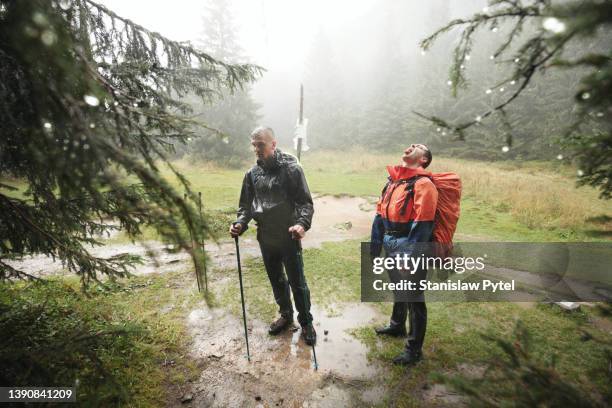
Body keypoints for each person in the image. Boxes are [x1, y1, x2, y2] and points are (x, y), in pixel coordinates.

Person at [229, 126, 316, 345]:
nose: (257, 149)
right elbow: (245, 206)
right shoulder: (252, 174)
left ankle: (306, 322)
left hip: (288, 234)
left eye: (261, 144)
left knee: (297, 281)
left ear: (273, 144)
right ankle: (286, 315)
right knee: (276, 278)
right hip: (265, 235)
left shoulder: (292, 168)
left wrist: (301, 224)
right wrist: (240, 223)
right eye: (254, 145)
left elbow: (304, 202)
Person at [370, 143, 438, 366]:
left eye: (418, 147)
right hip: (391, 242)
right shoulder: (394, 182)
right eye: (411, 144)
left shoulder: (424, 184)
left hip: (409, 245)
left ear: (424, 160)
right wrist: (376, 245)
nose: (411, 146)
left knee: (414, 298)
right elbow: (380, 214)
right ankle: (397, 325)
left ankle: (413, 350)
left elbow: (423, 224)